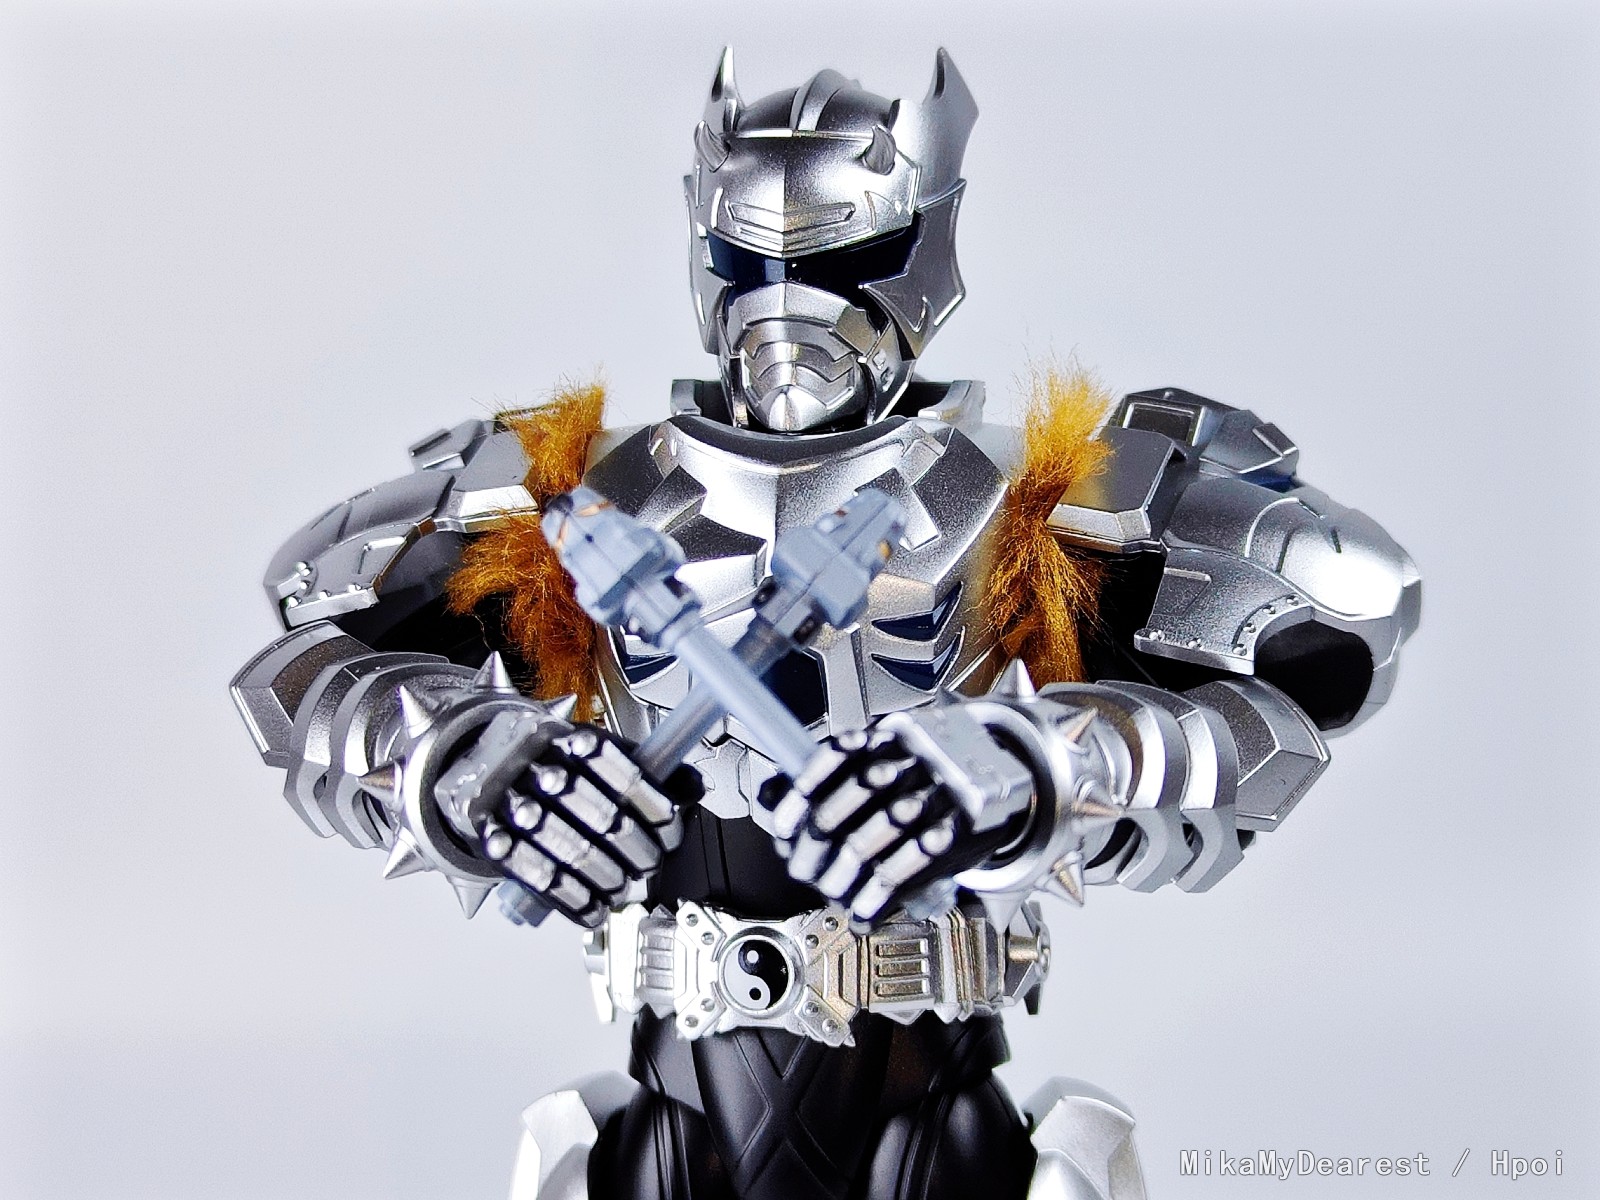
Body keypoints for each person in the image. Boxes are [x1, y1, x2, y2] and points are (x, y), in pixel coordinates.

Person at [231, 48, 1420, 1200]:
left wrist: (1051, 762)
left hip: (927, 1074)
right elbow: (305, 653)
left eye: (852, 260)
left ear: (922, 253)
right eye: (744, 262)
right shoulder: (572, 493)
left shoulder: (1031, 498)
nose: (789, 310)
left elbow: (1328, 644)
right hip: (678, 1087)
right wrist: (461, 754)